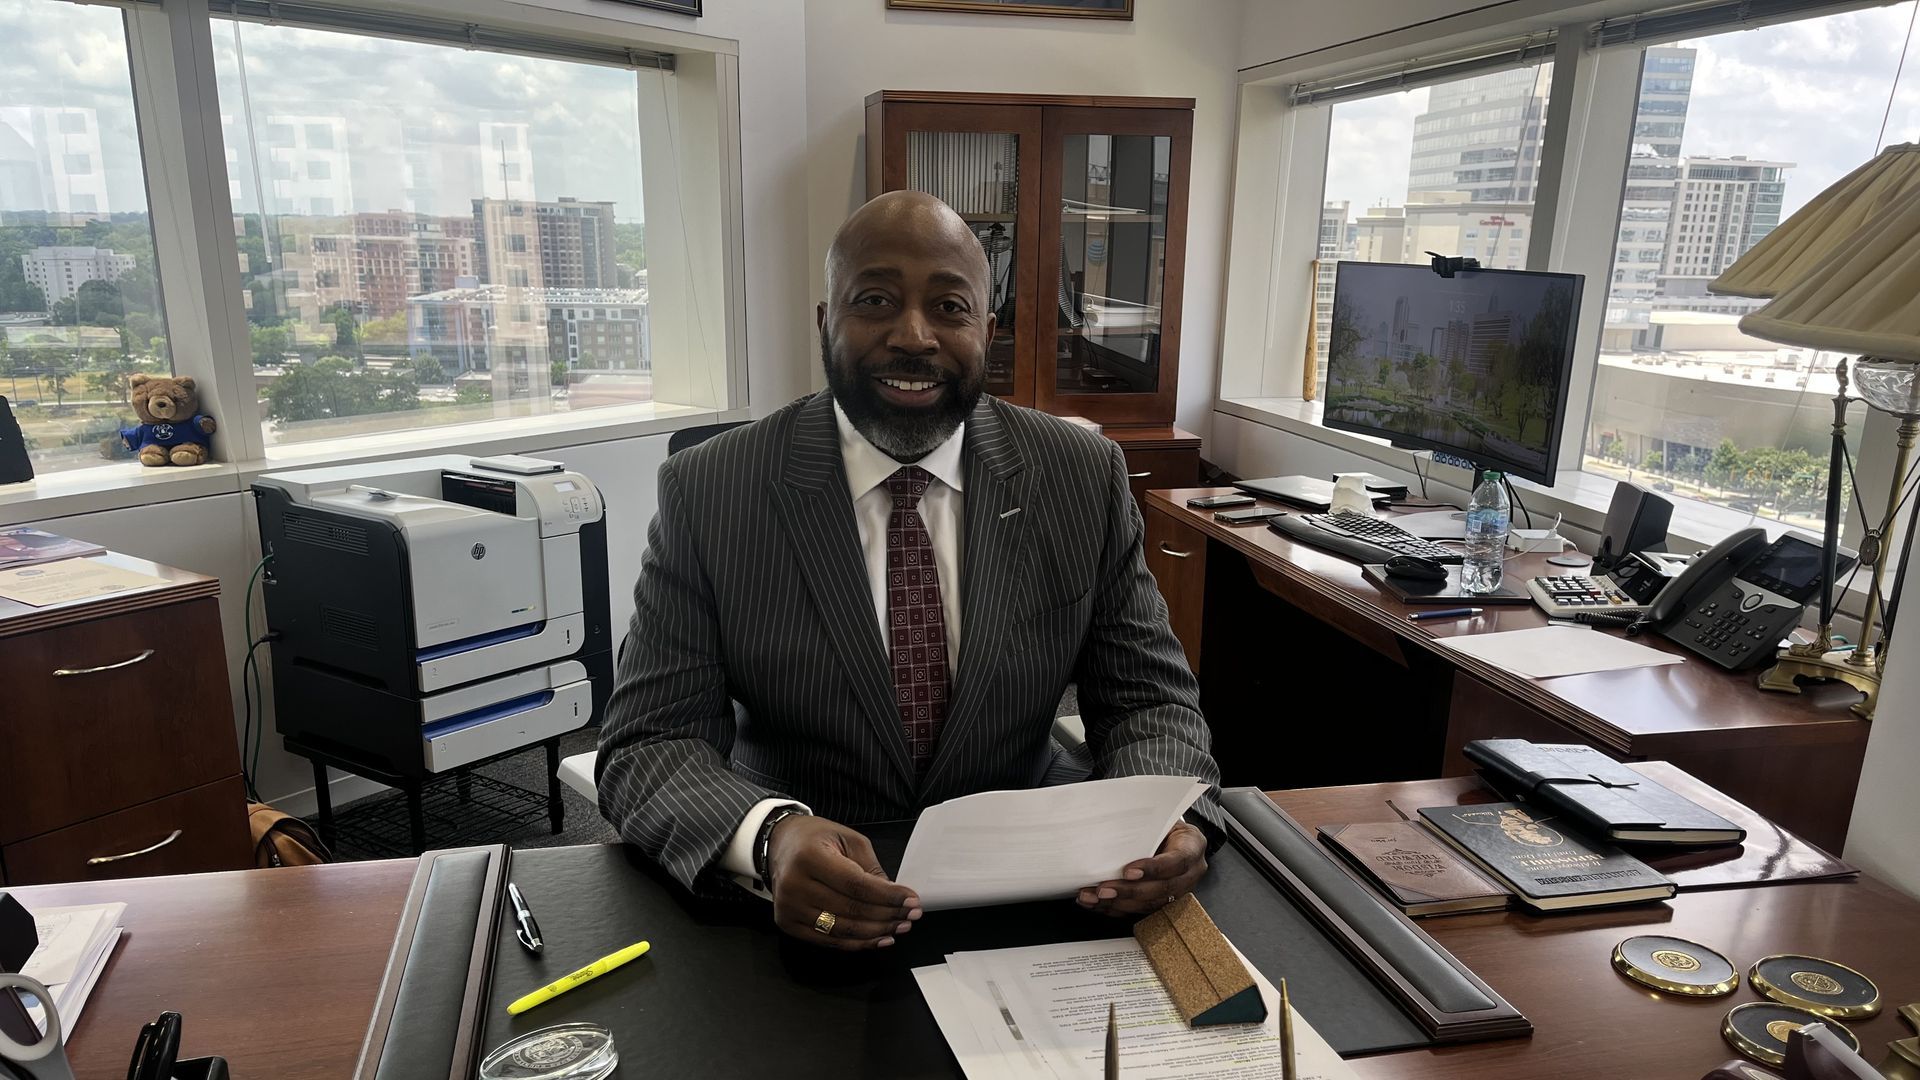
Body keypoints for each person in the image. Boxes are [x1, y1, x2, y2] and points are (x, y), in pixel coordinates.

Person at [597, 190, 1221, 950]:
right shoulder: (710, 490)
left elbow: (1149, 700)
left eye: (950, 307)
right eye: (875, 300)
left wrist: (1167, 819)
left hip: (1039, 882)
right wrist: (768, 837)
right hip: (804, 895)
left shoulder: (1080, 475)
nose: (914, 336)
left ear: (987, 331)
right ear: (825, 323)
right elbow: (649, 742)